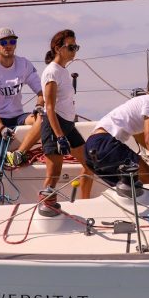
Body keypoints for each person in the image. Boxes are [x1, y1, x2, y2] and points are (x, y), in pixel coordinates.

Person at [85, 73, 149, 188]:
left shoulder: (137, 101)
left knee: (128, 189)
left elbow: (138, 134)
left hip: (90, 147)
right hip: (107, 145)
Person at [38, 29, 94, 214]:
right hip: (55, 126)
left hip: (68, 125)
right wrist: (60, 137)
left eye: (76, 47)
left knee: (89, 164)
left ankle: (85, 204)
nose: (74, 51)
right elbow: (49, 107)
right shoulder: (52, 72)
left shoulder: (63, 71)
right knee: (53, 173)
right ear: (58, 48)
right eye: (71, 47)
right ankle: (45, 208)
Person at [0, 26, 43, 170]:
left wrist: (39, 106)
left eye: (12, 42)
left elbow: (41, 92)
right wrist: (1, 128)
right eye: (3, 42)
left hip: (17, 115)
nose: (8, 45)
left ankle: (18, 154)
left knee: (44, 119)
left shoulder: (24, 64)